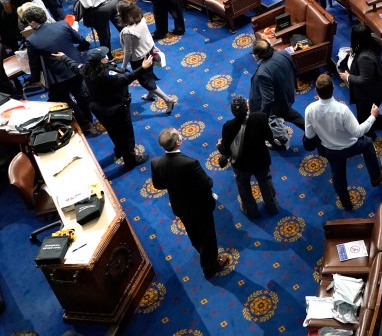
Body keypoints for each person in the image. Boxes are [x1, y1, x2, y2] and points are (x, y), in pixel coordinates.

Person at [303, 74, 382, 210]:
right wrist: (373, 116)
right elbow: (358, 132)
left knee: (338, 176)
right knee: (367, 143)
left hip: (330, 151)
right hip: (351, 146)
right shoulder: (342, 110)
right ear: (333, 88)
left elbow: (309, 135)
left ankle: (346, 204)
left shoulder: (309, 110)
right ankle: (375, 177)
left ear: (316, 91)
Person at [151, 127, 229, 279]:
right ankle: (210, 267)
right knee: (207, 235)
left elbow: (158, 185)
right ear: (178, 142)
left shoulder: (156, 163)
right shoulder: (190, 163)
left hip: (179, 205)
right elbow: (207, 183)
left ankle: (202, 252)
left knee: (192, 232)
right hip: (199, 205)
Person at [57, 46, 152, 168]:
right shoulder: (107, 75)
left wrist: (63, 57)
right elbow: (125, 79)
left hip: (98, 109)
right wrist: (143, 68)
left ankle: (119, 150)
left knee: (112, 131)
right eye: (104, 56)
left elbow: (73, 65)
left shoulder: (85, 69)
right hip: (116, 109)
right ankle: (130, 160)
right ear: (102, 61)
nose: (107, 57)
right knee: (126, 135)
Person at [23, 6, 93, 131]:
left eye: (28, 22)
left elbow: (34, 64)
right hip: (76, 66)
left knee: (64, 99)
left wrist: (35, 79)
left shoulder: (31, 40)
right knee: (80, 93)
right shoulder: (62, 24)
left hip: (58, 75)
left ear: (33, 22)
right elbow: (80, 40)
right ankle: (89, 118)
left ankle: (83, 122)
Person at [340, 22, 382, 141]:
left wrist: (348, 77)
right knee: (365, 114)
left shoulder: (365, 57)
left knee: (367, 116)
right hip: (376, 83)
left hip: (374, 89)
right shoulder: (372, 39)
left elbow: (365, 79)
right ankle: (370, 134)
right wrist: (354, 51)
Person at [217, 97, 278, 219]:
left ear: (232, 111)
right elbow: (269, 137)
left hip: (241, 165)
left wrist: (219, 145)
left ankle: (251, 211)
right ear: (247, 108)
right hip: (260, 160)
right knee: (265, 182)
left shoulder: (228, 126)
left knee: (243, 186)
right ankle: (272, 206)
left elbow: (225, 150)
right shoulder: (260, 117)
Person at [117, 0, 175, 113]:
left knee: (145, 81)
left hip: (139, 60)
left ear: (123, 14)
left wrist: (123, 67)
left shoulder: (127, 31)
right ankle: (150, 94)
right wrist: (153, 47)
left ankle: (167, 99)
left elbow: (128, 51)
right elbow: (148, 34)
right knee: (149, 76)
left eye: (119, 12)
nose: (117, 14)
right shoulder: (141, 18)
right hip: (149, 52)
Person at [250, 39, 303, 130]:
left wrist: (263, 117)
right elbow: (294, 70)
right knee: (293, 116)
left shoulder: (262, 73)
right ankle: (312, 130)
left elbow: (268, 99)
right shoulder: (283, 53)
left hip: (276, 105)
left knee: (280, 123)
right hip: (287, 93)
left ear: (257, 55)